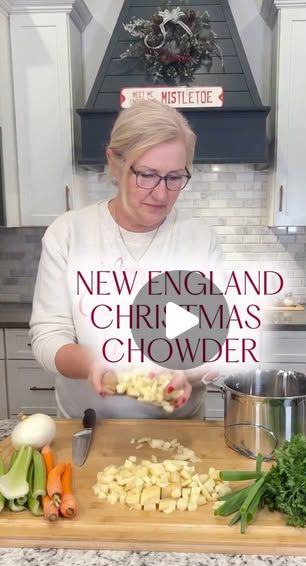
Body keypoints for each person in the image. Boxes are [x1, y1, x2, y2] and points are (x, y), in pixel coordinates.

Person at [29, 99, 223, 419]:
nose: (161, 195)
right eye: (146, 175)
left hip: (179, 432)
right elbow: (49, 336)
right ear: (115, 164)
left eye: (174, 178)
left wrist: (187, 373)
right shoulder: (69, 234)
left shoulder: (199, 241)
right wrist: (92, 362)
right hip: (90, 427)